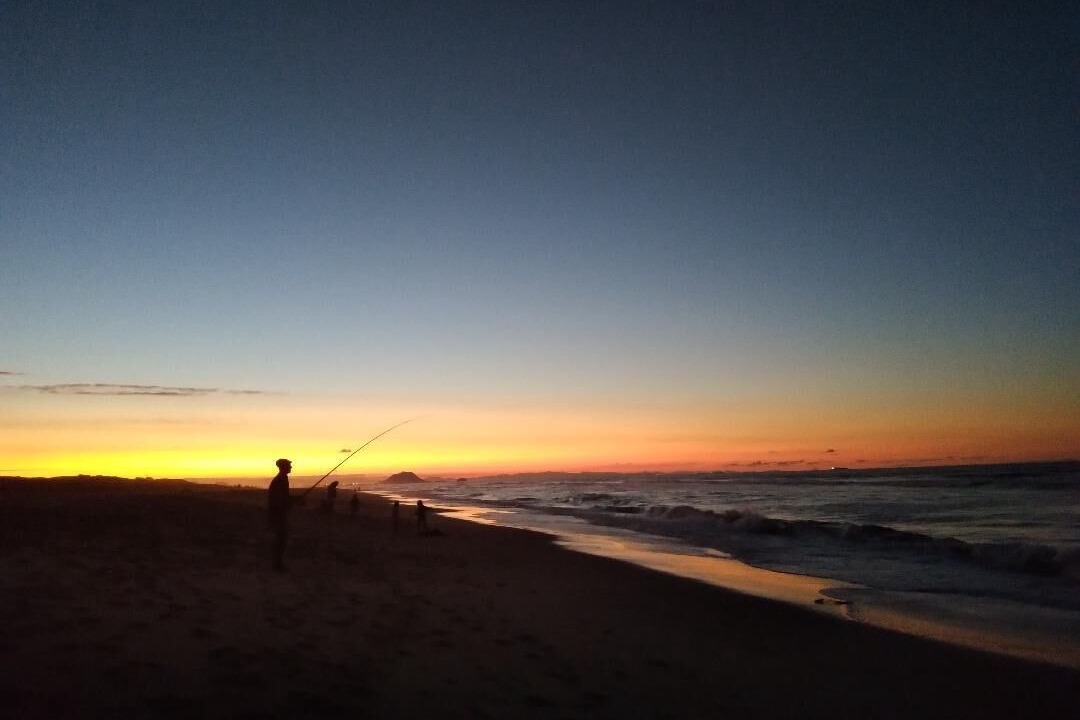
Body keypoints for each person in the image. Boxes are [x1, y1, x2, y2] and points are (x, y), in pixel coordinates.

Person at [268, 458, 296, 571]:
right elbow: (280, 499)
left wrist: (294, 499)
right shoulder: (281, 479)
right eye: (289, 465)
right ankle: (277, 564)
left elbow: (284, 497)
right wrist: (292, 501)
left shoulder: (282, 478)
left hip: (277, 513)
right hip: (277, 513)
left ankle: (278, 563)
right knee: (281, 538)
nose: (291, 467)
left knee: (281, 538)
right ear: (283, 467)